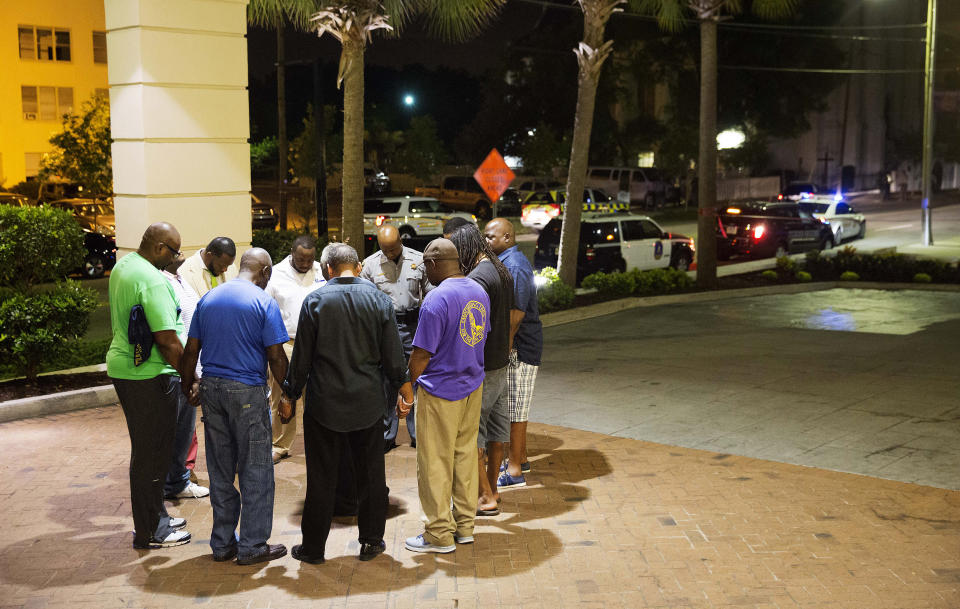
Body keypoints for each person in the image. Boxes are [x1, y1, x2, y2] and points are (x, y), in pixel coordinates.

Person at [282, 243, 411, 564]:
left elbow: (302, 359)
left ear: (327, 268)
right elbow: (393, 355)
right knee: (371, 475)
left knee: (321, 477)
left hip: (324, 404)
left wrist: (290, 394)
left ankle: (313, 548)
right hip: (368, 403)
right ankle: (371, 541)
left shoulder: (315, 300)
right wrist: (404, 390)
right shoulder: (380, 300)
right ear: (357, 266)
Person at [181, 248, 291, 565]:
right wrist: (289, 393)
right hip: (247, 391)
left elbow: (191, 351)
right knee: (256, 469)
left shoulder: (210, 299)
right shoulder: (263, 302)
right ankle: (253, 545)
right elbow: (276, 356)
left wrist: (188, 384)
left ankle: (222, 543)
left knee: (220, 469)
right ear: (266, 271)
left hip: (212, 389)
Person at [107, 222, 192, 549]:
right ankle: (150, 531)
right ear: (159, 248)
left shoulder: (125, 264)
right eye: (174, 251)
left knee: (149, 452)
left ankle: (157, 515)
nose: (177, 258)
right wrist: (190, 379)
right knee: (151, 455)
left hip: (129, 368)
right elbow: (169, 342)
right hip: (147, 375)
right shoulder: (152, 280)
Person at [404, 238, 489, 553]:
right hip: (472, 385)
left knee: (434, 462)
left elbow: (421, 354)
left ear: (432, 264)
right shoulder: (479, 291)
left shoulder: (436, 299)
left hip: (440, 389)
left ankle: (438, 534)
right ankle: (465, 526)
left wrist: (406, 388)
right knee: (465, 455)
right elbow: (478, 336)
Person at [448, 225, 518, 514]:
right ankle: (494, 489)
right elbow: (512, 316)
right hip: (501, 361)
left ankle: (484, 497)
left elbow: (472, 328)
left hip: (483, 366)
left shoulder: (477, 279)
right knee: (497, 430)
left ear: (465, 246)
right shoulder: (500, 269)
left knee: (471, 431)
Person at [360, 224, 430, 451]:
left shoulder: (418, 260)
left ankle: (417, 433)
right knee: (386, 380)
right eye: (385, 250)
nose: (389, 254)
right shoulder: (370, 265)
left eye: (393, 249)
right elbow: (366, 302)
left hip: (413, 324)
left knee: (415, 377)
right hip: (384, 327)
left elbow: (429, 293)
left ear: (400, 241)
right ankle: (386, 435)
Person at [484, 218, 543, 488]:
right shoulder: (507, 262)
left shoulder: (515, 265)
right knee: (513, 405)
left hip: (520, 347)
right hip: (517, 345)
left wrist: (504, 350)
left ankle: (516, 470)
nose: (485, 241)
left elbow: (516, 315)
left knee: (516, 409)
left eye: (490, 237)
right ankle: (522, 457)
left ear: (507, 237)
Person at [265, 235, 326, 463]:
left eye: (309, 260)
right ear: (292, 253)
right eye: (300, 259)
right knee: (283, 395)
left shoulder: (322, 272)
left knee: (318, 394)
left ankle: (317, 440)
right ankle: (280, 443)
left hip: (318, 344)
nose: (305, 264)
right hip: (287, 344)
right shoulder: (276, 274)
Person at [161, 256, 210, 500]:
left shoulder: (181, 280)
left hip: (192, 367)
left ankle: (178, 481)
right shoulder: (162, 282)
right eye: (175, 250)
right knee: (174, 430)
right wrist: (187, 374)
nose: (180, 254)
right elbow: (170, 334)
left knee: (185, 429)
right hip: (178, 368)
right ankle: (171, 483)